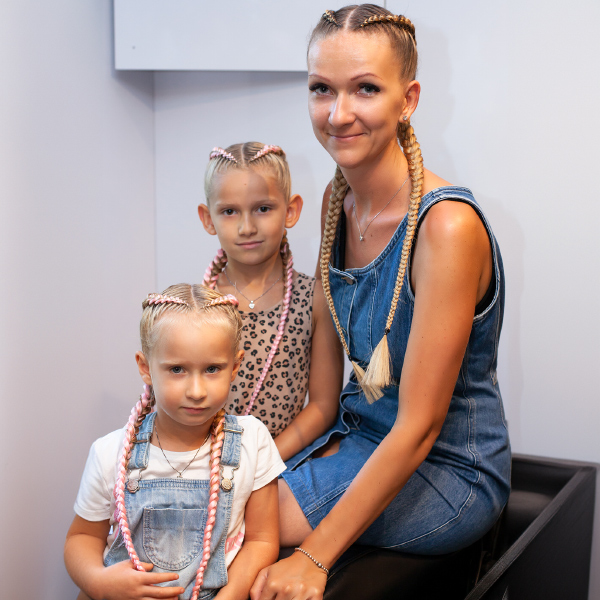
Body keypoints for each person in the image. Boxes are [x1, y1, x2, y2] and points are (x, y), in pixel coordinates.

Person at [251, 5, 511, 599]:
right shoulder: (334, 201)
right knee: (213, 504)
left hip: (446, 466)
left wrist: (312, 558)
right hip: (357, 431)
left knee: (242, 528)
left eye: (365, 88)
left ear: (407, 99)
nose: (338, 113)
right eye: (321, 89)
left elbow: (419, 427)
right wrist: (246, 459)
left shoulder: (446, 227)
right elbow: (325, 398)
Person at [64, 285, 285, 600]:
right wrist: (98, 583)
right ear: (146, 368)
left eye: (212, 369)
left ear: (235, 367)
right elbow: (82, 538)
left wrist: (231, 595)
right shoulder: (110, 452)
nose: (196, 391)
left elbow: (262, 540)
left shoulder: (253, 441)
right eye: (177, 369)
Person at [199, 142, 343, 462]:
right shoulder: (197, 307)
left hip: (282, 462)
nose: (247, 227)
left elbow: (323, 406)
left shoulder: (315, 299)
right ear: (208, 219)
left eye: (263, 209)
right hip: (209, 465)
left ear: (290, 211)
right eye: (229, 211)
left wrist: (261, 463)